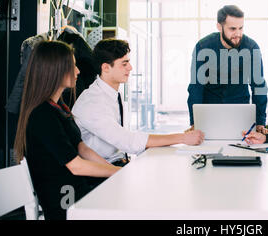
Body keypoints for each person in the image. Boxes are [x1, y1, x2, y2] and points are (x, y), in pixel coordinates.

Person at [13, 41, 120, 220]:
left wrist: (114, 169)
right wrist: (117, 173)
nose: (78, 71)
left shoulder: (59, 107)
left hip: (76, 190)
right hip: (65, 201)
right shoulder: (42, 115)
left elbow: (82, 149)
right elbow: (76, 166)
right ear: (54, 70)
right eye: (72, 66)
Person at [72, 39, 204, 164]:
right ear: (106, 68)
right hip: (101, 172)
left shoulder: (111, 94)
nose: (130, 68)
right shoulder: (92, 102)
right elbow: (127, 141)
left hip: (118, 162)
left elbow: (129, 141)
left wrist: (182, 137)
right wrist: (182, 138)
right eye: (124, 64)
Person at [187, 5, 268, 133]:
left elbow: (258, 87)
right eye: (232, 29)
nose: (238, 34)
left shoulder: (251, 47)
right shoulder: (203, 46)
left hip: (240, 115)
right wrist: (194, 122)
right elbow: (196, 87)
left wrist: (260, 122)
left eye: (241, 28)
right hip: (209, 114)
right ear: (219, 27)